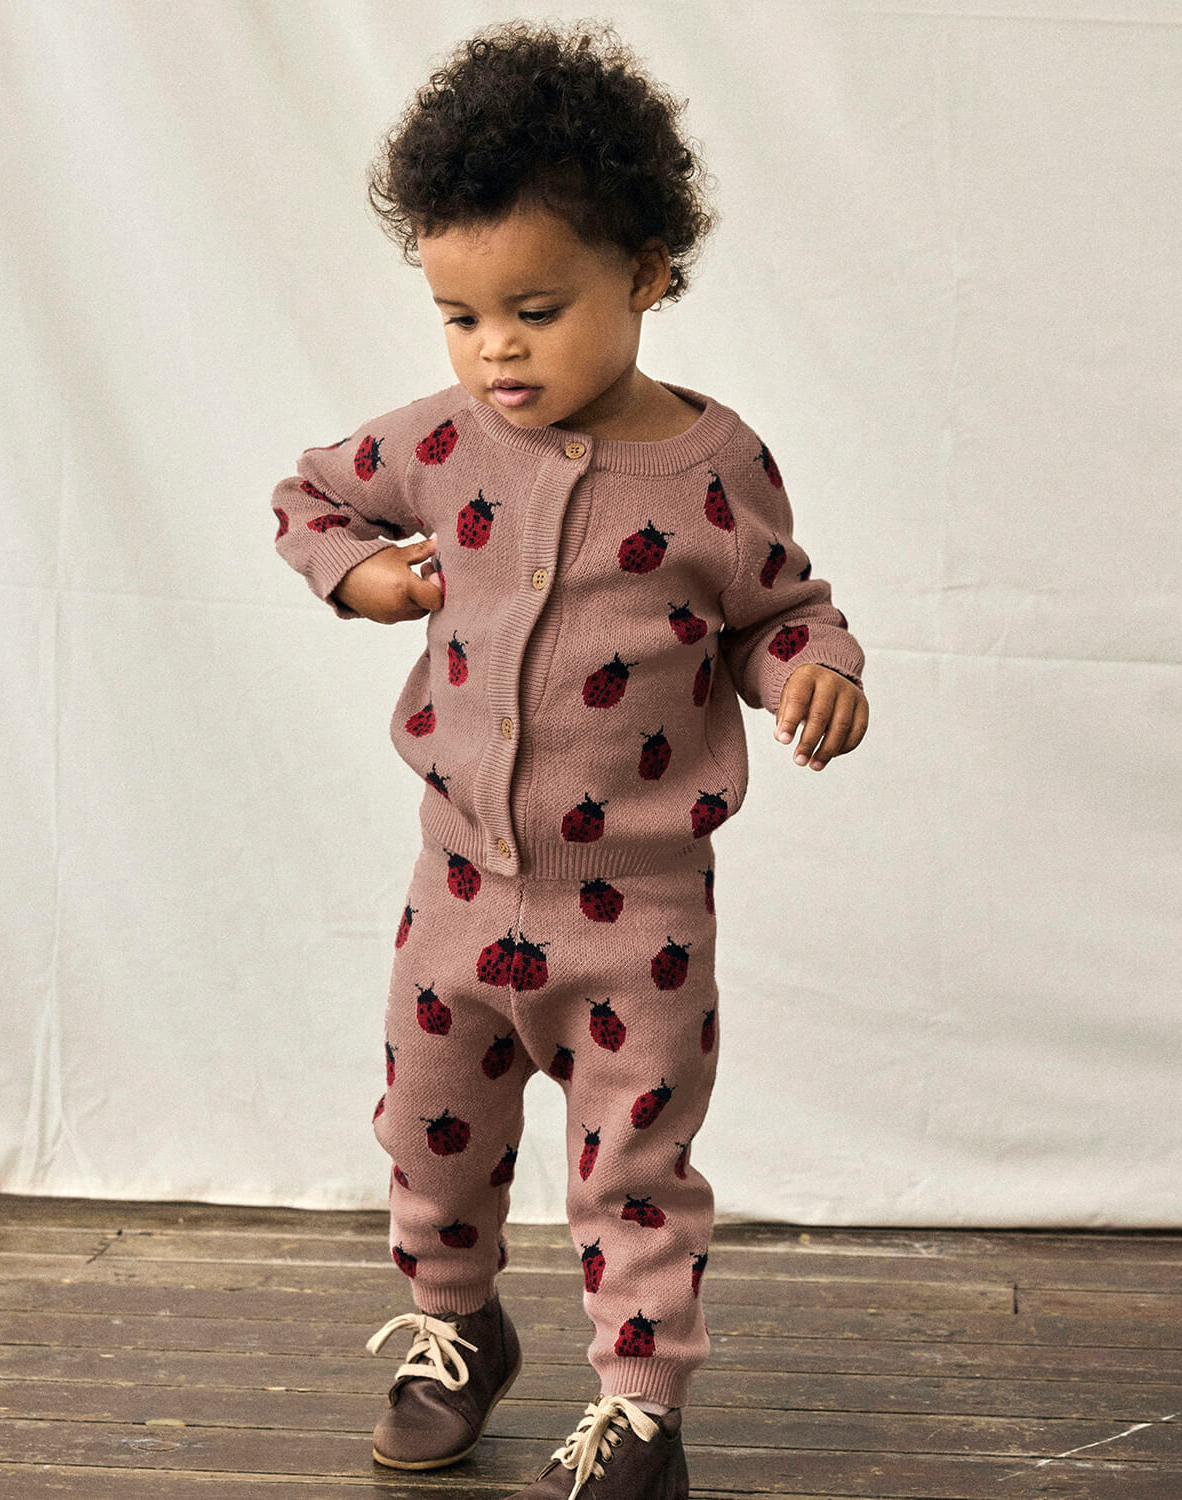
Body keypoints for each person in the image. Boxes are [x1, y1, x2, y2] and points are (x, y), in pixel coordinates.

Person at [268, 20, 868, 1498]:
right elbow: (306, 496)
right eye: (461, 316)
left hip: (639, 913)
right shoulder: (443, 443)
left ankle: (640, 1414)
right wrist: (362, 577)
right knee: (431, 1132)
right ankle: (456, 1331)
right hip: (459, 891)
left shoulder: (716, 468)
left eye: (536, 310)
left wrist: (817, 672)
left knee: (632, 1170)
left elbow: (778, 611)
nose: (497, 350)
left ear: (649, 273)